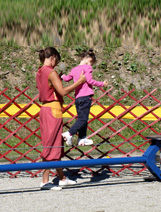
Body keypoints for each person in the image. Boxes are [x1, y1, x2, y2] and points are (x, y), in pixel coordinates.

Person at [36, 47, 86, 190]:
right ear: (53, 57)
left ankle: (62, 178)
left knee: (56, 144)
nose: (56, 63)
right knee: (51, 145)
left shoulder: (40, 71)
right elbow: (62, 91)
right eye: (57, 60)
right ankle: (45, 181)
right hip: (53, 110)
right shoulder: (51, 72)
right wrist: (79, 82)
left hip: (45, 109)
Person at [61, 48, 108, 146]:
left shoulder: (74, 69)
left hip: (78, 98)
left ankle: (82, 138)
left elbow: (66, 79)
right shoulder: (87, 68)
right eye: (92, 63)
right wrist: (102, 84)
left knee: (82, 119)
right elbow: (90, 81)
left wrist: (62, 76)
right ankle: (69, 133)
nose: (91, 66)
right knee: (83, 119)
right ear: (90, 59)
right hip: (85, 97)